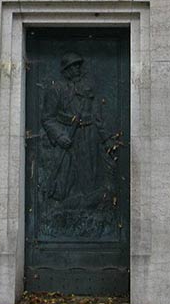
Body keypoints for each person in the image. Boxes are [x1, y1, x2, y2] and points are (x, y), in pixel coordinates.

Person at [40, 52, 116, 210]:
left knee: (92, 177)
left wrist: (105, 138)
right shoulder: (56, 89)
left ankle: (90, 213)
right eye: (73, 66)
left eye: (79, 65)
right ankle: (58, 210)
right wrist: (60, 136)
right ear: (66, 70)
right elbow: (48, 118)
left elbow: (97, 116)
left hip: (89, 136)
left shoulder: (87, 89)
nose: (77, 68)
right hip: (68, 135)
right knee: (64, 181)